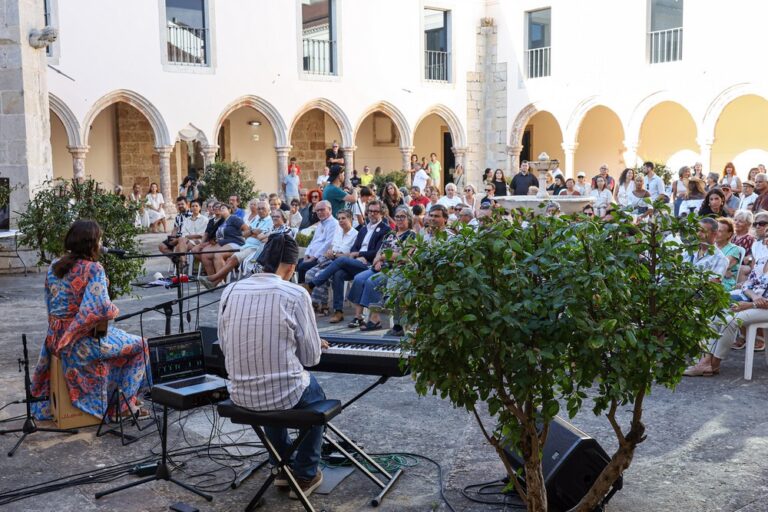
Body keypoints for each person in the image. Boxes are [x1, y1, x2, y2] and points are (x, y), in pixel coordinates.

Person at [218, 233, 328, 498]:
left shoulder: (230, 290)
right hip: (283, 392)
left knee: (272, 388)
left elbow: (223, 345)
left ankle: (280, 467)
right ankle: (304, 474)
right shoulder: (295, 293)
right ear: (291, 267)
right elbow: (312, 358)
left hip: (240, 393)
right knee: (312, 397)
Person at [30, 220, 149, 421]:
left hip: (54, 338)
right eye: (99, 239)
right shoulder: (94, 269)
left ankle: (116, 398)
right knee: (142, 346)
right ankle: (123, 406)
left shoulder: (54, 266)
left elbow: (51, 305)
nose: (101, 243)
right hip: (79, 343)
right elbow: (99, 309)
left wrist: (62, 333)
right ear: (91, 244)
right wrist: (113, 310)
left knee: (121, 338)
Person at [303, 200, 391, 324]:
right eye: (370, 211)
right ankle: (338, 311)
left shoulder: (385, 229)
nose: (372, 214)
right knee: (338, 273)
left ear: (381, 213)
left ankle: (312, 284)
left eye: (375, 212)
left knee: (342, 259)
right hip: (356, 262)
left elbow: (378, 251)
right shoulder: (364, 229)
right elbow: (355, 247)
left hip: (370, 265)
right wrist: (356, 255)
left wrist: (360, 254)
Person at [346, 207, 415, 330]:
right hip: (380, 266)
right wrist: (377, 261)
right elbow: (379, 251)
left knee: (372, 281)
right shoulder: (390, 234)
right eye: (397, 216)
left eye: (402, 217)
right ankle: (358, 316)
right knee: (358, 278)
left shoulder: (411, 235)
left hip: (395, 269)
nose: (399, 219)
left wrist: (383, 256)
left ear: (409, 219)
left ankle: (375, 318)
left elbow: (405, 256)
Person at [201, 203, 283, 288]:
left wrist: (252, 232)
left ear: (268, 210)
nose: (260, 211)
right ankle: (215, 282)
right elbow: (244, 234)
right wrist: (253, 232)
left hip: (255, 248)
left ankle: (214, 279)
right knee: (226, 259)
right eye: (259, 209)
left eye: (263, 208)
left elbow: (261, 237)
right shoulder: (256, 220)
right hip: (245, 245)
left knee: (231, 259)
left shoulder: (270, 221)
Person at [304, 210, 358, 315]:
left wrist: (335, 255)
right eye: (339, 219)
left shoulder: (355, 235)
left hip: (343, 264)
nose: (341, 221)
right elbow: (332, 247)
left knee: (320, 274)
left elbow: (352, 254)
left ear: (350, 219)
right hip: (329, 260)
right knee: (309, 273)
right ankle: (315, 304)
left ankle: (323, 306)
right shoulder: (338, 232)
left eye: (344, 218)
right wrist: (329, 251)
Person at [297, 200, 338, 283]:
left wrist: (313, 258)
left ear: (330, 210)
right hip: (312, 256)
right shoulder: (320, 224)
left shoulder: (334, 224)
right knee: (296, 264)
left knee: (302, 267)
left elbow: (327, 244)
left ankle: (304, 292)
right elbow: (312, 241)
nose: (319, 212)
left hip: (322, 259)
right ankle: (300, 289)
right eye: (317, 210)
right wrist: (306, 255)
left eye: (322, 210)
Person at [200, 203, 245, 278]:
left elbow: (246, 228)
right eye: (220, 209)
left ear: (229, 210)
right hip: (224, 243)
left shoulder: (234, 218)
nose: (221, 209)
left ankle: (220, 280)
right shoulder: (223, 221)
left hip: (235, 243)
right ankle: (211, 279)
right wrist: (215, 240)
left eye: (223, 208)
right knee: (204, 255)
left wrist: (242, 236)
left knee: (218, 255)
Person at [175, 199, 208, 264]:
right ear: (190, 208)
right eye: (193, 206)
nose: (194, 207)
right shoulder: (186, 220)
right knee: (181, 240)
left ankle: (182, 264)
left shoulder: (204, 220)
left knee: (178, 247)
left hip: (199, 241)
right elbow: (183, 233)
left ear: (200, 208)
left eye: (196, 206)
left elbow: (203, 234)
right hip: (187, 241)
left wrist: (189, 236)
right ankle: (184, 261)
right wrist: (191, 236)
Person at [715, 217, 742, 292]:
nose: (716, 233)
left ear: (729, 234)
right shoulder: (710, 246)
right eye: (715, 230)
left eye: (720, 231)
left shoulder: (734, 249)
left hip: (724, 283)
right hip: (709, 279)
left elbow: (721, 267)